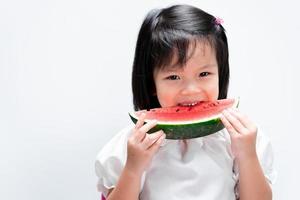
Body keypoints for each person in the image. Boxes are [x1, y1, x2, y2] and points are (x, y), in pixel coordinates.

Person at [95, 4, 276, 200]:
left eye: (204, 74)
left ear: (220, 75)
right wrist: (133, 168)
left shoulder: (240, 138)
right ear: (152, 83)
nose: (191, 90)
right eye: (173, 77)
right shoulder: (132, 144)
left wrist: (247, 155)